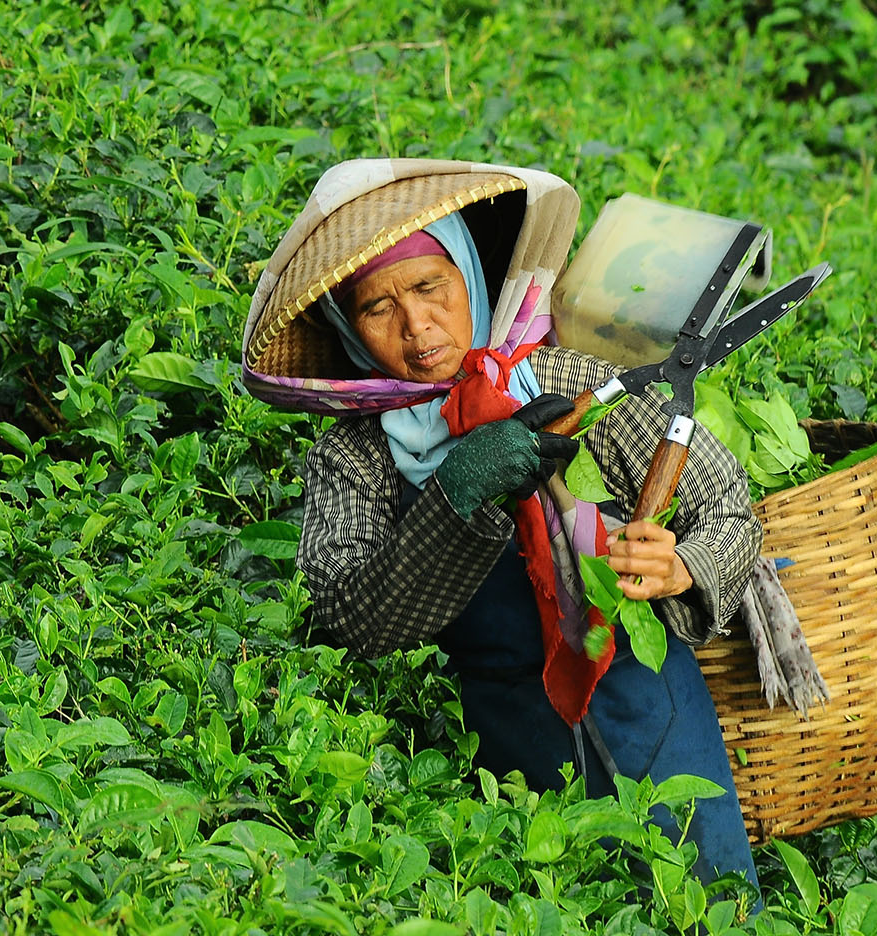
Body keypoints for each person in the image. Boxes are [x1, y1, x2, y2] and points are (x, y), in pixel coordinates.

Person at [245, 162, 761, 898]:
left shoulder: (565, 378)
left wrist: (685, 564)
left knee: (713, 904)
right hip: (509, 745)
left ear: (470, 277)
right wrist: (457, 492)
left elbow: (728, 504)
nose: (416, 327)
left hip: (655, 710)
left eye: (430, 287)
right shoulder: (356, 456)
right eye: (377, 308)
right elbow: (347, 613)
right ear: (347, 329)